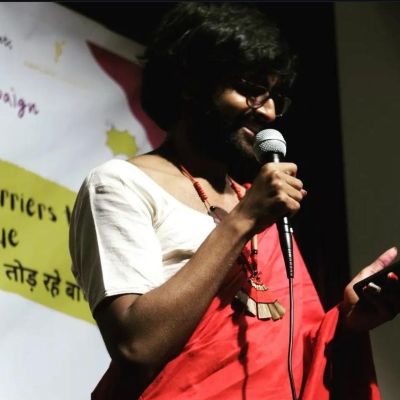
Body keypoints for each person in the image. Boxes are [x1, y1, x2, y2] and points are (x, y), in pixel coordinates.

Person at [69, 2, 400, 399]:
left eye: (275, 94)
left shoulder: (257, 204)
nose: (270, 112)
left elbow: (289, 352)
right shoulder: (121, 184)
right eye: (250, 89)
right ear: (191, 85)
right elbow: (135, 347)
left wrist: (346, 322)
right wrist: (243, 219)